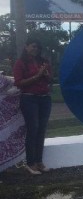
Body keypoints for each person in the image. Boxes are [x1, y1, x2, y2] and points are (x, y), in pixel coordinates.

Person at [13, 38, 53, 175]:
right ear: (26, 47)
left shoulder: (44, 62)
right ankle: (30, 163)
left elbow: (50, 79)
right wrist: (37, 76)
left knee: (41, 130)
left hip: (45, 99)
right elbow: (18, 83)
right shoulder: (20, 63)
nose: (35, 49)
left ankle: (39, 161)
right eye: (33, 46)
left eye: (38, 47)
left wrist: (46, 76)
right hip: (29, 99)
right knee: (33, 129)